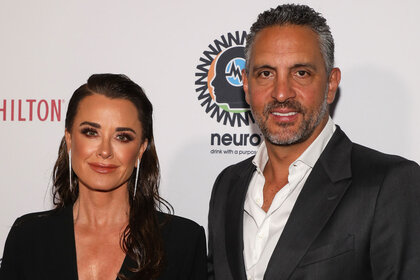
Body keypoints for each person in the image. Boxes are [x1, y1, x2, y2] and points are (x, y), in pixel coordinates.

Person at [207, 4, 420, 280]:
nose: (281, 93)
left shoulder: (387, 184)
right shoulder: (227, 185)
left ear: (331, 84)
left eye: (301, 73)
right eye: (266, 74)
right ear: (246, 86)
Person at [0, 74, 207, 280]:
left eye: (122, 137)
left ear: (141, 149)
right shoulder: (28, 237)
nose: (105, 151)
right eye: (91, 132)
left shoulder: (183, 241)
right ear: (69, 139)